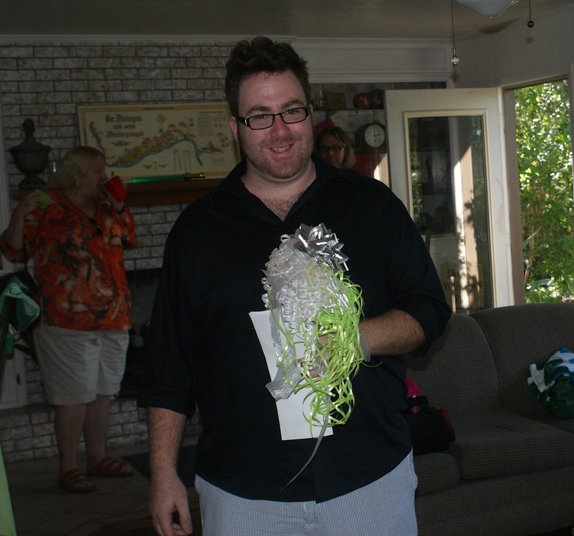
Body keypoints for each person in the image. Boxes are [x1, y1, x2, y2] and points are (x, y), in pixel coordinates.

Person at [138, 36, 450, 536]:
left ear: (311, 113)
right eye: (259, 116)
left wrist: (357, 338)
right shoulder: (197, 232)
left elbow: (429, 311)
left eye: (291, 111)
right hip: (243, 496)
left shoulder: (372, 206)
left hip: (369, 480)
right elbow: (168, 366)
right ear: (234, 128)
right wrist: (162, 473)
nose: (280, 130)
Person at [0, 146, 138, 493]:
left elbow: (129, 238)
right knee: (73, 396)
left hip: (114, 316)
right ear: (78, 173)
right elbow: (13, 250)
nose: (104, 176)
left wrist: (119, 205)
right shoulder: (47, 205)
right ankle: (69, 467)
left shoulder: (106, 205)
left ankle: (98, 457)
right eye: (98, 170)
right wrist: (19, 214)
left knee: (104, 392)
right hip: (67, 319)